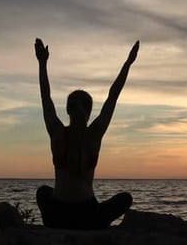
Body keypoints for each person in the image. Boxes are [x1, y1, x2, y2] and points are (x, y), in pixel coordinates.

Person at [34, 38, 139, 230]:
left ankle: (54, 225)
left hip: (58, 213)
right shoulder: (95, 134)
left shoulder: (57, 132)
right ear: (89, 111)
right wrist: (128, 63)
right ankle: (96, 225)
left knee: (43, 192)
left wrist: (42, 63)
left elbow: (45, 97)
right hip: (88, 215)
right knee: (125, 199)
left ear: (67, 110)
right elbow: (113, 96)